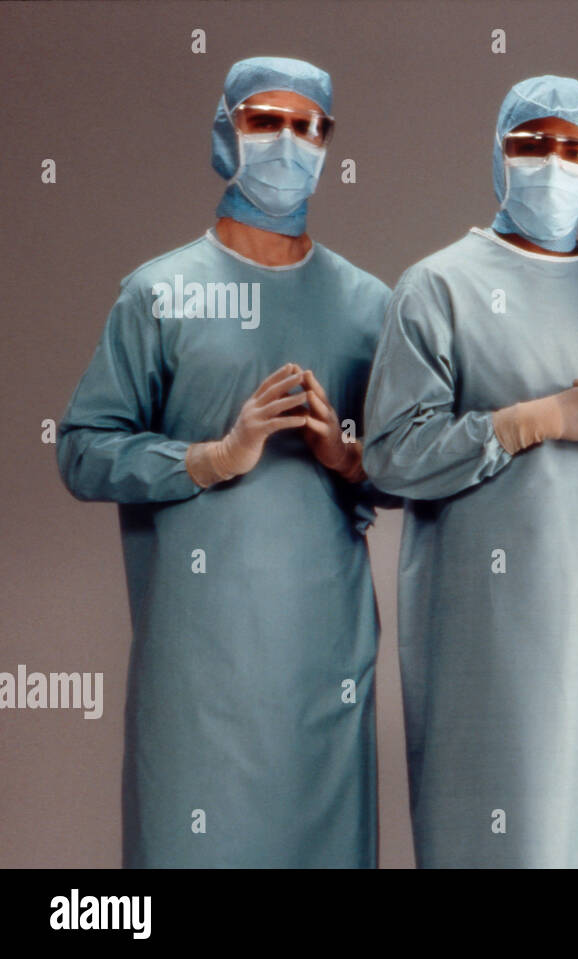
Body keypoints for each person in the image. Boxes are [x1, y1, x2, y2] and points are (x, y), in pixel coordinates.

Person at [57, 57, 394, 867]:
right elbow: (81, 450)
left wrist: (345, 457)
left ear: (328, 141)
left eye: (307, 126)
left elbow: (407, 469)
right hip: (198, 669)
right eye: (264, 121)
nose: (288, 141)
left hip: (324, 662)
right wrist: (211, 456)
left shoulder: (369, 306)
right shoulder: (159, 293)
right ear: (226, 129)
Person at [362, 75, 578, 868]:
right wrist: (532, 420)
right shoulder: (437, 287)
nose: (553, 163)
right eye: (531, 144)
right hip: (486, 618)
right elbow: (391, 455)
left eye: (574, 148)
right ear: (499, 155)